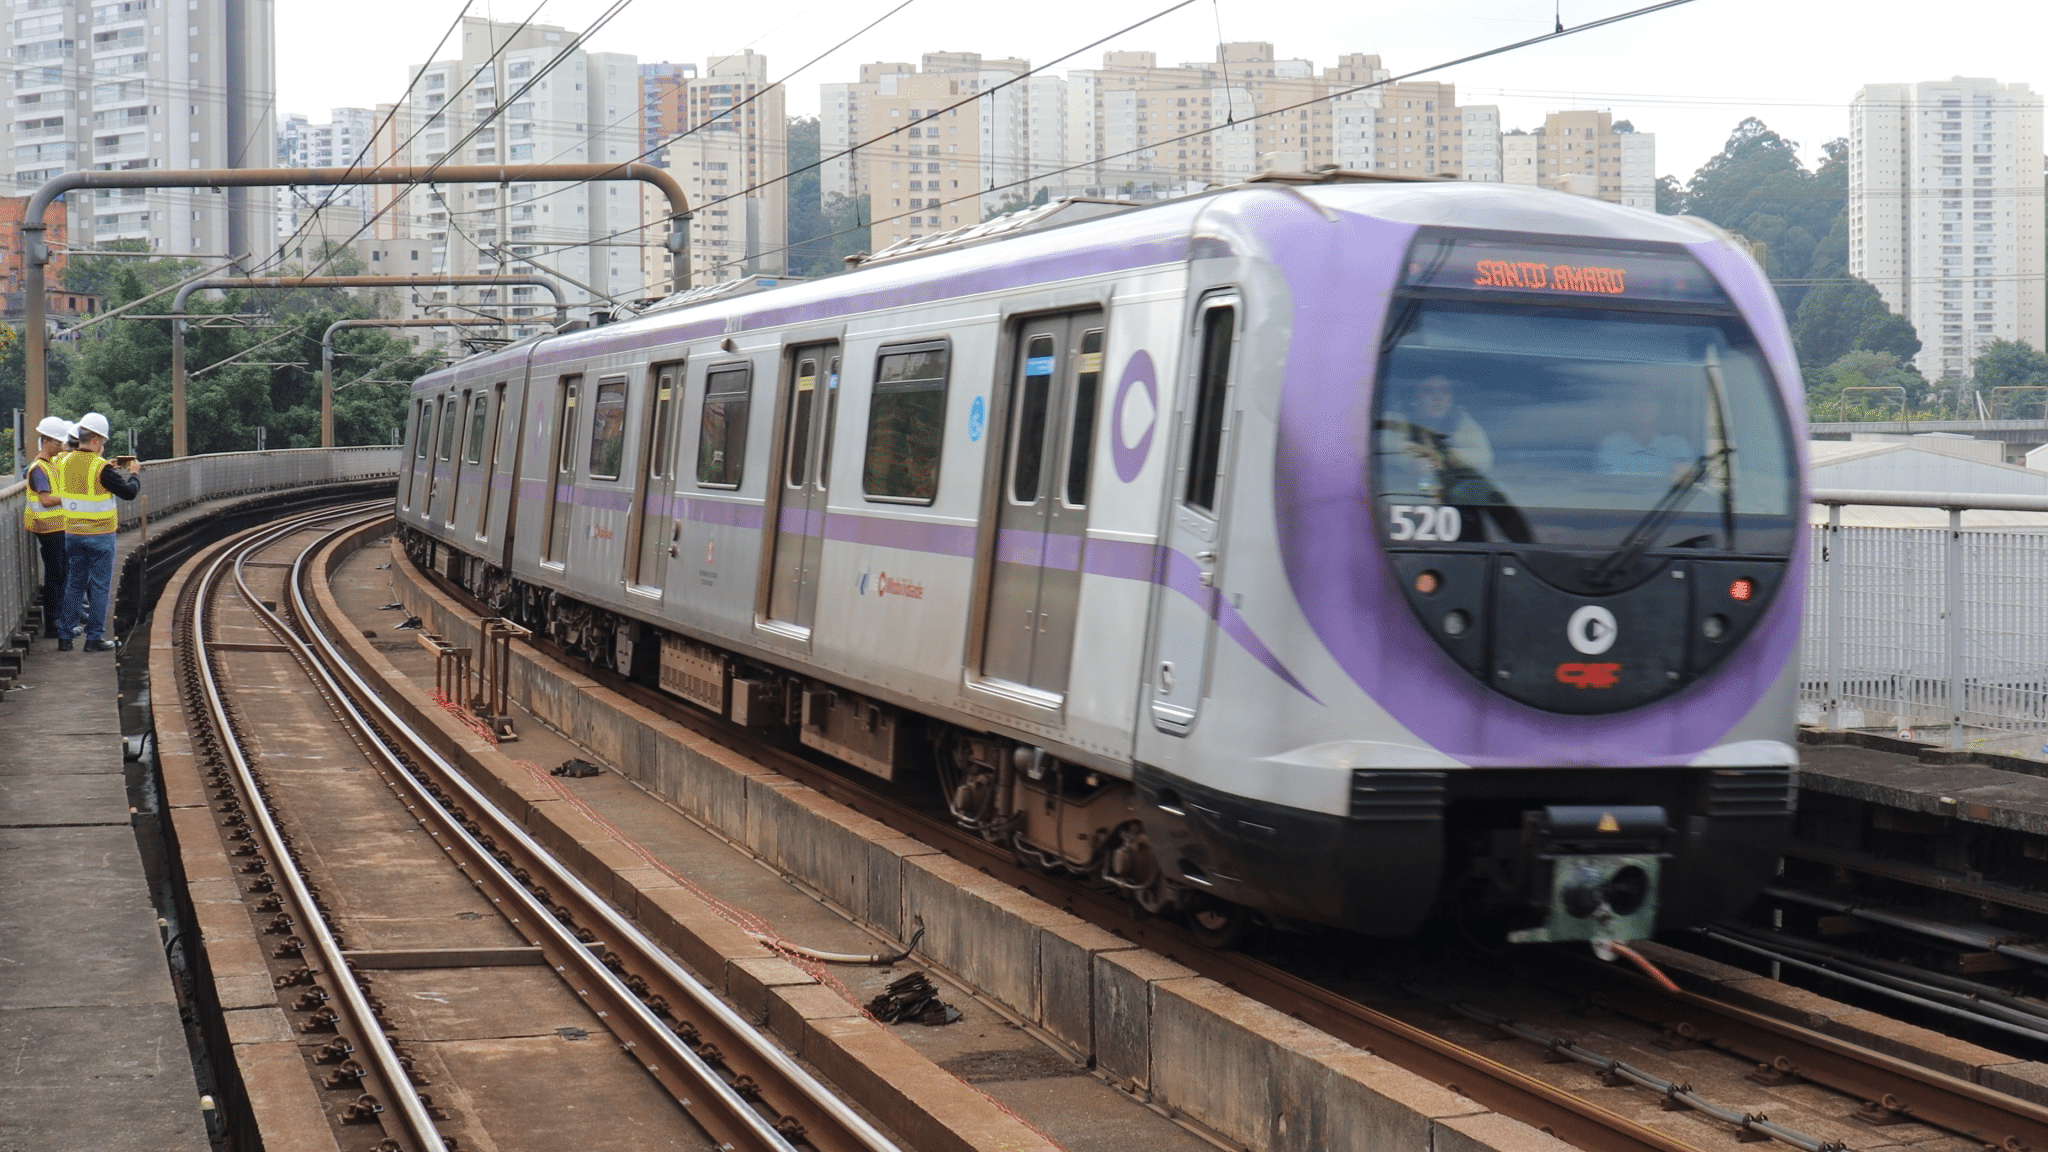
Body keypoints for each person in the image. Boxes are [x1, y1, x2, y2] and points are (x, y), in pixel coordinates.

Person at [53, 412, 140, 652]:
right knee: (100, 587)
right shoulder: (101, 468)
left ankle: (65, 636)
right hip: (100, 536)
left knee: (74, 584)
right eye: (102, 442)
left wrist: (107, 467)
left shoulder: (63, 461)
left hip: (72, 533)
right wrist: (133, 474)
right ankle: (94, 639)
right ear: (95, 441)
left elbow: (80, 477)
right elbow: (129, 493)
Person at [1378, 374, 1494, 496]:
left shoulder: (1460, 420)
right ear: (1415, 397)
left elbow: (1485, 458)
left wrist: (1446, 456)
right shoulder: (1397, 418)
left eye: (1444, 391)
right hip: (1398, 496)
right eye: (1428, 391)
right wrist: (1414, 458)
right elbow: (1385, 445)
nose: (1437, 397)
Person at [22, 416, 71, 639]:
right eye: (58, 442)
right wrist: (71, 498)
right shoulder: (40, 469)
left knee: (60, 573)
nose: (61, 446)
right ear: (47, 442)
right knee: (55, 574)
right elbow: (46, 500)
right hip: (49, 529)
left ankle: (58, 620)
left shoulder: (49, 466)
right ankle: (53, 622)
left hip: (57, 528)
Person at [1597, 391, 1693, 479]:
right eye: (1637, 401)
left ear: (1659, 407)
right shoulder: (1611, 445)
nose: (1644, 406)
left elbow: (1685, 485)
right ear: (1628, 409)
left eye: (1650, 400)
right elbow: (1603, 485)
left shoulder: (1678, 446)